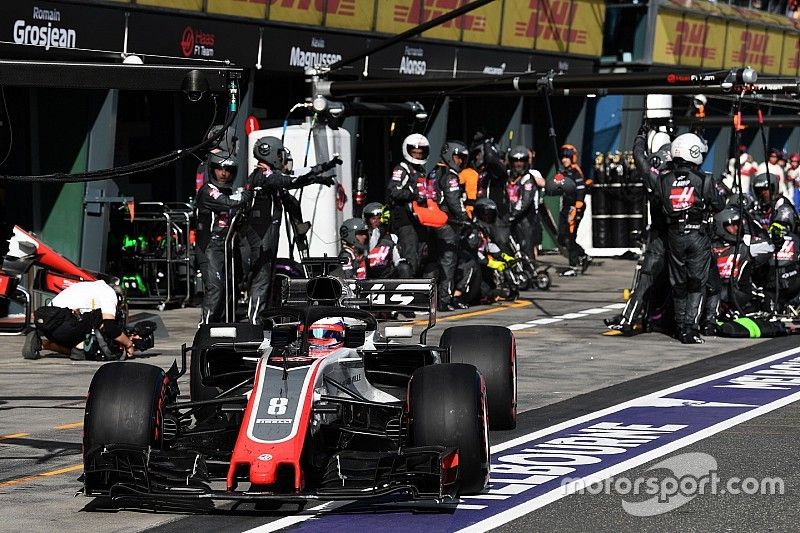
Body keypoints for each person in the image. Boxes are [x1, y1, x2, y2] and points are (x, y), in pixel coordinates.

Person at [243, 136, 339, 323]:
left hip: (267, 236)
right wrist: (316, 178)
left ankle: (262, 319)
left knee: (267, 280)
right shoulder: (263, 175)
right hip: (260, 236)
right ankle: (254, 323)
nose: (281, 157)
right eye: (279, 153)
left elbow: (295, 174)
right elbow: (291, 180)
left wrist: (323, 168)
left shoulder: (269, 175)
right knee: (261, 281)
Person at [655, 132, 725, 344]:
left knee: (678, 282)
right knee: (696, 282)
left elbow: (658, 204)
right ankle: (690, 328)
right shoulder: (704, 179)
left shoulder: (663, 179)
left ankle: (678, 327)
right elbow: (719, 205)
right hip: (697, 235)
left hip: (674, 234)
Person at [606, 127, 671, 336]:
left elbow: (638, 157)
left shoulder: (655, 176)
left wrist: (640, 136)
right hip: (683, 235)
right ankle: (686, 323)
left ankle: (631, 318)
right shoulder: (691, 178)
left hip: (663, 236)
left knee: (648, 277)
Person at [195, 151, 253, 324]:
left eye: (227, 170)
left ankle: (223, 327)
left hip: (228, 247)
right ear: (212, 170)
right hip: (209, 248)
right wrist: (247, 194)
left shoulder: (230, 191)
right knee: (216, 289)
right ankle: (204, 327)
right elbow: (229, 203)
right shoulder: (207, 191)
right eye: (219, 169)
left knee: (230, 289)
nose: (223, 173)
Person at [27, 280, 136, 361]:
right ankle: (80, 347)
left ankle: (42, 343)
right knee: (100, 317)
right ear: (119, 297)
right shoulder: (109, 293)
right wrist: (128, 343)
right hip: (65, 325)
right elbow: (109, 327)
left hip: (47, 326)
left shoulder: (87, 286)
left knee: (82, 352)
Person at [429, 140, 471, 310]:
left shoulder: (433, 172)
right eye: (457, 157)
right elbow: (454, 201)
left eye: (462, 158)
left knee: (434, 262)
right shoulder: (450, 175)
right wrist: (465, 218)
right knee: (449, 261)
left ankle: (432, 298)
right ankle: (444, 300)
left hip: (431, 222)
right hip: (447, 223)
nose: (460, 161)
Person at [386, 133, 430, 277]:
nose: (417, 155)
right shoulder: (402, 168)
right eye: (414, 152)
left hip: (419, 219)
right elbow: (393, 190)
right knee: (410, 252)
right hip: (405, 219)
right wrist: (412, 196)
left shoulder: (421, 170)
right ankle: (408, 288)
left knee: (422, 253)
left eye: (420, 152)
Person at [555, 143, 592, 275]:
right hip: (565, 207)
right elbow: (556, 187)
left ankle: (573, 266)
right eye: (563, 157)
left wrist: (576, 209)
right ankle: (583, 256)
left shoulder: (576, 173)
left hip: (574, 207)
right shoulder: (563, 173)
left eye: (567, 157)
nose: (564, 160)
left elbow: (580, 192)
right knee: (562, 237)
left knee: (570, 237)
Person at [505, 145, 545, 259]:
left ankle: (529, 271)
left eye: (521, 161)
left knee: (526, 247)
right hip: (509, 218)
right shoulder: (507, 176)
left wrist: (513, 214)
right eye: (516, 161)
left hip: (525, 219)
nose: (518, 164)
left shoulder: (528, 178)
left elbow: (525, 201)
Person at [362, 202, 411, 278]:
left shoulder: (391, 238)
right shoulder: (363, 237)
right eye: (373, 218)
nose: (376, 221)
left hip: (385, 275)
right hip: (366, 275)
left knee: (404, 267)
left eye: (379, 218)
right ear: (367, 220)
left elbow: (397, 259)